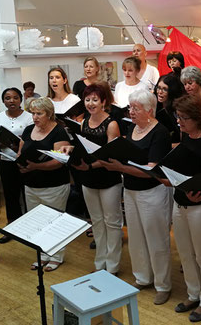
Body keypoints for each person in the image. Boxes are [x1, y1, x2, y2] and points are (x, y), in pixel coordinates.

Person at [99, 90, 173, 305]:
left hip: (152, 192)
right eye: (130, 107)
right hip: (130, 190)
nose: (130, 112)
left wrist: (120, 167)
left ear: (149, 110)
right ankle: (142, 277)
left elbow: (152, 170)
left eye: (136, 108)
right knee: (137, 238)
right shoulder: (132, 128)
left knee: (157, 240)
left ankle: (163, 285)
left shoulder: (160, 132)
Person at [69, 82, 124, 274]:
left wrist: (90, 165)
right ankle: (100, 262)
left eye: (95, 100)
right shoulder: (84, 122)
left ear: (103, 102)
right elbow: (83, 149)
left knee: (112, 221)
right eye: (87, 99)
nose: (90, 103)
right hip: (88, 177)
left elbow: (111, 156)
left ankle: (113, 265)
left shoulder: (112, 124)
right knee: (97, 221)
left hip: (108, 177)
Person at [170, 95, 201, 322]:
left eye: (184, 118)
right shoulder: (185, 136)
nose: (180, 122)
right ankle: (193, 293)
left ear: (197, 118)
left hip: (200, 206)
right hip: (180, 201)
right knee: (185, 253)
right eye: (178, 117)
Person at [18, 97, 71, 272]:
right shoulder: (27, 130)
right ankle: (42, 254)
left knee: (55, 222)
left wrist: (36, 166)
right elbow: (20, 152)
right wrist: (21, 164)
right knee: (37, 222)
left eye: (39, 113)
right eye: (32, 113)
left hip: (54, 185)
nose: (34, 117)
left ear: (49, 114)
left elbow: (59, 161)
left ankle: (56, 256)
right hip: (31, 184)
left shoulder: (59, 132)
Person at [0, 87, 34, 243]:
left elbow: (32, 139)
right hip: (6, 162)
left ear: (20, 99)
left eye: (15, 97)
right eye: (8, 98)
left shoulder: (29, 117)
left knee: (28, 195)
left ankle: (31, 228)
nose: (12, 101)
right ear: (3, 101)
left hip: (26, 162)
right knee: (10, 195)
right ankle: (12, 227)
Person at [154, 75, 185, 143]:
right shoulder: (155, 106)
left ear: (172, 91)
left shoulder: (179, 110)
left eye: (165, 89)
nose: (160, 92)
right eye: (158, 88)